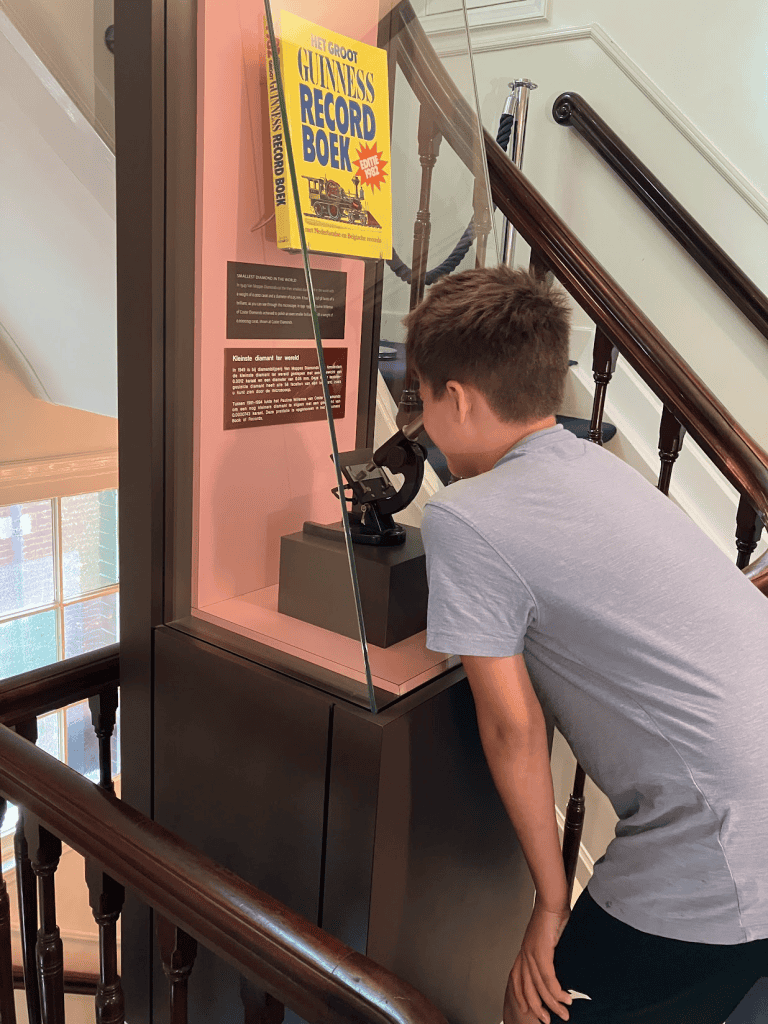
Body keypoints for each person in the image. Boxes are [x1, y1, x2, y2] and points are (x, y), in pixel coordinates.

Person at [404, 264, 768, 1024]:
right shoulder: (601, 469)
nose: (421, 424)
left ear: (458, 399)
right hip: (746, 814)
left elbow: (512, 725)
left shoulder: (467, 516)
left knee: (534, 1005)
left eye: (424, 400)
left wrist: (548, 900)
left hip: (723, 846)